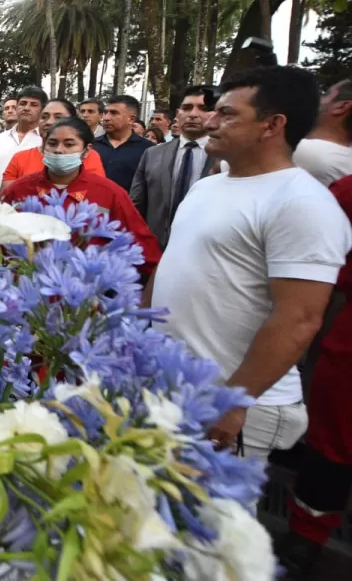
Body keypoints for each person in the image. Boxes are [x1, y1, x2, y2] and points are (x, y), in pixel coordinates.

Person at [152, 66, 352, 459]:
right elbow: (169, 267)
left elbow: (299, 319)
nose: (210, 121)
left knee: (209, 519)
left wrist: (235, 401)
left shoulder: (302, 203)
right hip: (174, 390)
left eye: (227, 114)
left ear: (272, 125)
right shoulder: (209, 186)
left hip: (233, 407)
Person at [279, 173, 352, 578]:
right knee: (334, 443)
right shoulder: (345, 193)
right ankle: (308, 533)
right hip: (347, 347)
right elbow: (323, 261)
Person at [1, 117, 161, 278]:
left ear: (86, 151)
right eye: (52, 143)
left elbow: (144, 248)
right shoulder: (19, 190)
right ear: (43, 147)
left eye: (69, 144)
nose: (59, 150)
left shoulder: (110, 193)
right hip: (27, 288)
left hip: (87, 294)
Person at [130, 85, 218, 249]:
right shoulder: (152, 154)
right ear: (178, 114)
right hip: (155, 249)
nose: (193, 114)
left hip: (206, 251)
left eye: (203, 108)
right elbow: (136, 205)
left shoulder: (227, 158)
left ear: (217, 114)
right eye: (187, 108)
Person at [0, 98, 105, 190]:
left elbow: (95, 194)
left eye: (58, 117)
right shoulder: (20, 158)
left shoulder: (89, 156)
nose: (49, 122)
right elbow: (9, 201)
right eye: (44, 117)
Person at [291, 78, 352, 187]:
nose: (318, 99)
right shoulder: (346, 157)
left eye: (326, 94)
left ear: (341, 107)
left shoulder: (303, 151)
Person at [0, 87, 47, 188]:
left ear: (43, 110)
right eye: (23, 103)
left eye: (34, 105)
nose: (26, 108)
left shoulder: (45, 140)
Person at [94, 95, 154, 191]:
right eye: (105, 113)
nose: (106, 118)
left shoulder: (148, 150)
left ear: (131, 119)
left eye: (114, 113)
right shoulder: (91, 146)